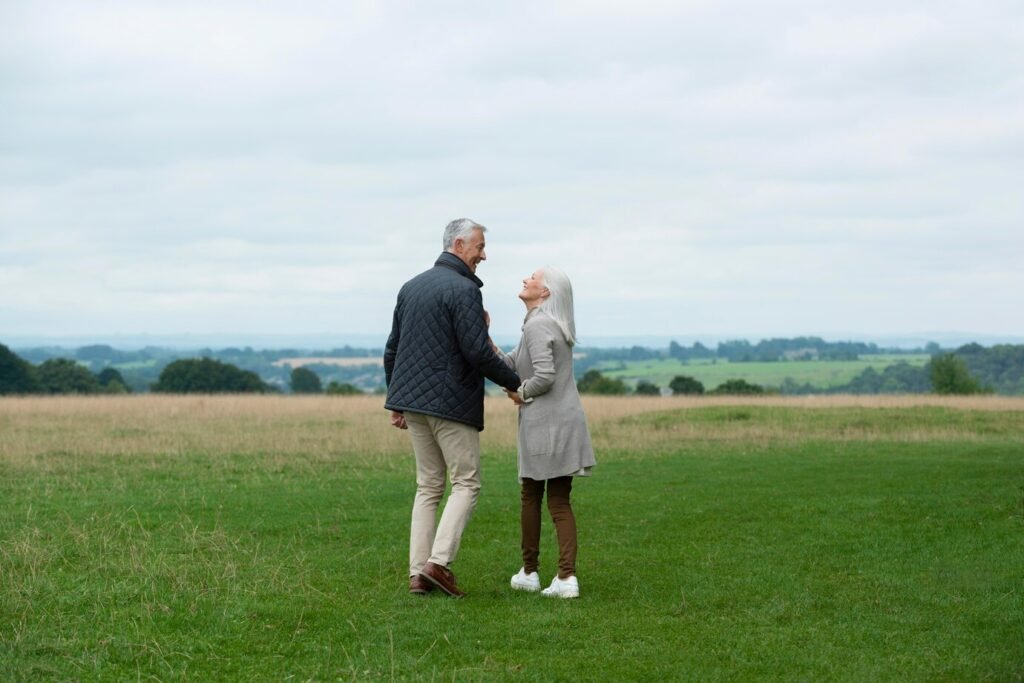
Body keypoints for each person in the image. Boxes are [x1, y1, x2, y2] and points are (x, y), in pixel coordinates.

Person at [384, 218, 522, 598]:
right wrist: (516, 384)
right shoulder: (464, 291)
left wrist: (396, 401)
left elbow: (392, 349)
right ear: (459, 245)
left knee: (428, 486)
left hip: (411, 403)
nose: (483, 255)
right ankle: (438, 565)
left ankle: (417, 573)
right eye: (479, 247)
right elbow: (477, 351)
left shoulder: (410, 287)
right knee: (466, 482)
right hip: (450, 404)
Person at [500, 267, 595, 599]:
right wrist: (482, 340)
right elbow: (511, 362)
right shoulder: (545, 324)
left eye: (533, 278)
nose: (526, 278)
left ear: (546, 292)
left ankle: (531, 572)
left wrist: (521, 393)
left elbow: (544, 376)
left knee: (532, 496)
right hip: (564, 422)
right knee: (558, 500)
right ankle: (565, 578)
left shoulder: (539, 324)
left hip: (546, 423)